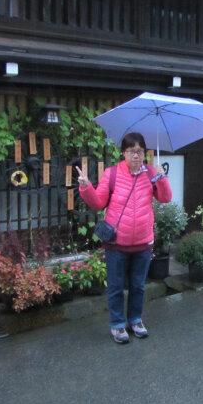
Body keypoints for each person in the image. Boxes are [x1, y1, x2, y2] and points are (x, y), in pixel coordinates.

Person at [76, 133, 172, 344]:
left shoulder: (151, 174)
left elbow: (165, 198)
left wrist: (162, 178)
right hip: (116, 244)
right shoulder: (111, 174)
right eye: (131, 151)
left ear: (145, 153)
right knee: (116, 286)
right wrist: (85, 186)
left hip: (143, 243)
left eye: (139, 151)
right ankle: (118, 324)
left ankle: (136, 320)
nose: (135, 156)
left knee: (138, 286)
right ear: (123, 153)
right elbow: (98, 203)